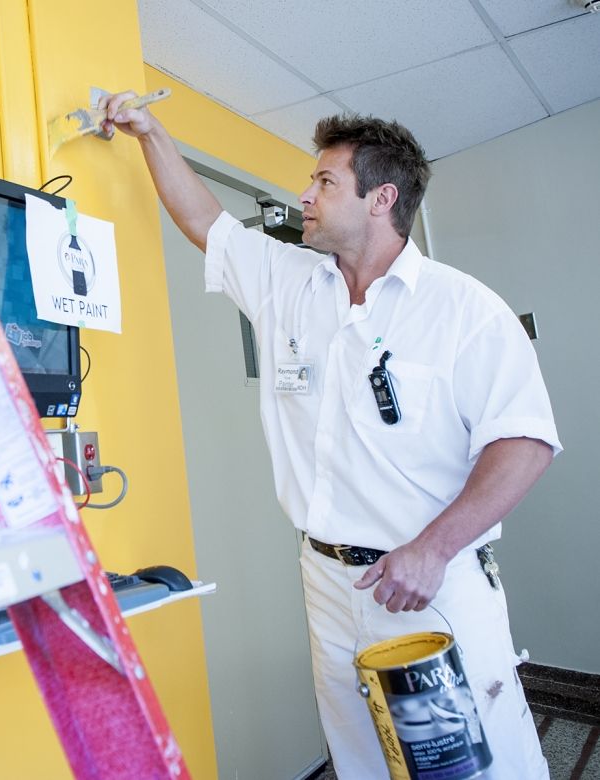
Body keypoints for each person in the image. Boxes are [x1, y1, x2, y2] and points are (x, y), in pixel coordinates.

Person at [100, 91, 560, 778]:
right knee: (362, 755)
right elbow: (205, 220)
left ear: (381, 197)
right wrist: (148, 132)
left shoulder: (464, 310)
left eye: (324, 181)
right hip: (328, 579)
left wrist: (432, 550)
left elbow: (524, 444)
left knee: (470, 764)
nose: (305, 195)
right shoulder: (289, 284)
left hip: (429, 586)